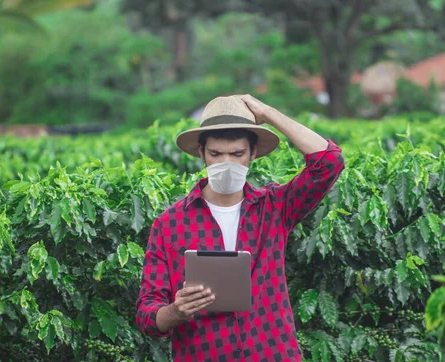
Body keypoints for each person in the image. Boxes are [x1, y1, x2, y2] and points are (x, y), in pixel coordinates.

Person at [135, 94, 345, 361]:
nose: (227, 163)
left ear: (252, 153)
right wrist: (177, 310)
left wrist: (269, 114)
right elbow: (147, 314)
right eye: (216, 154)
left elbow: (329, 163)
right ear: (201, 154)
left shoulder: (274, 207)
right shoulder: (170, 224)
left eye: (237, 154)